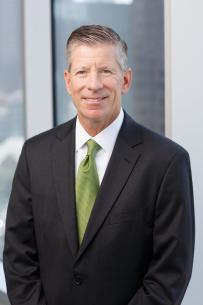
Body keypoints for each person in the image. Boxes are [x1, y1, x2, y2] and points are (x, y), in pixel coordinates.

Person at [3, 25, 195, 305]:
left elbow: (169, 273)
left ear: (125, 80)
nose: (93, 84)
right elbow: (18, 256)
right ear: (68, 81)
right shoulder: (35, 154)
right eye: (82, 72)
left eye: (106, 71)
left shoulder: (166, 162)